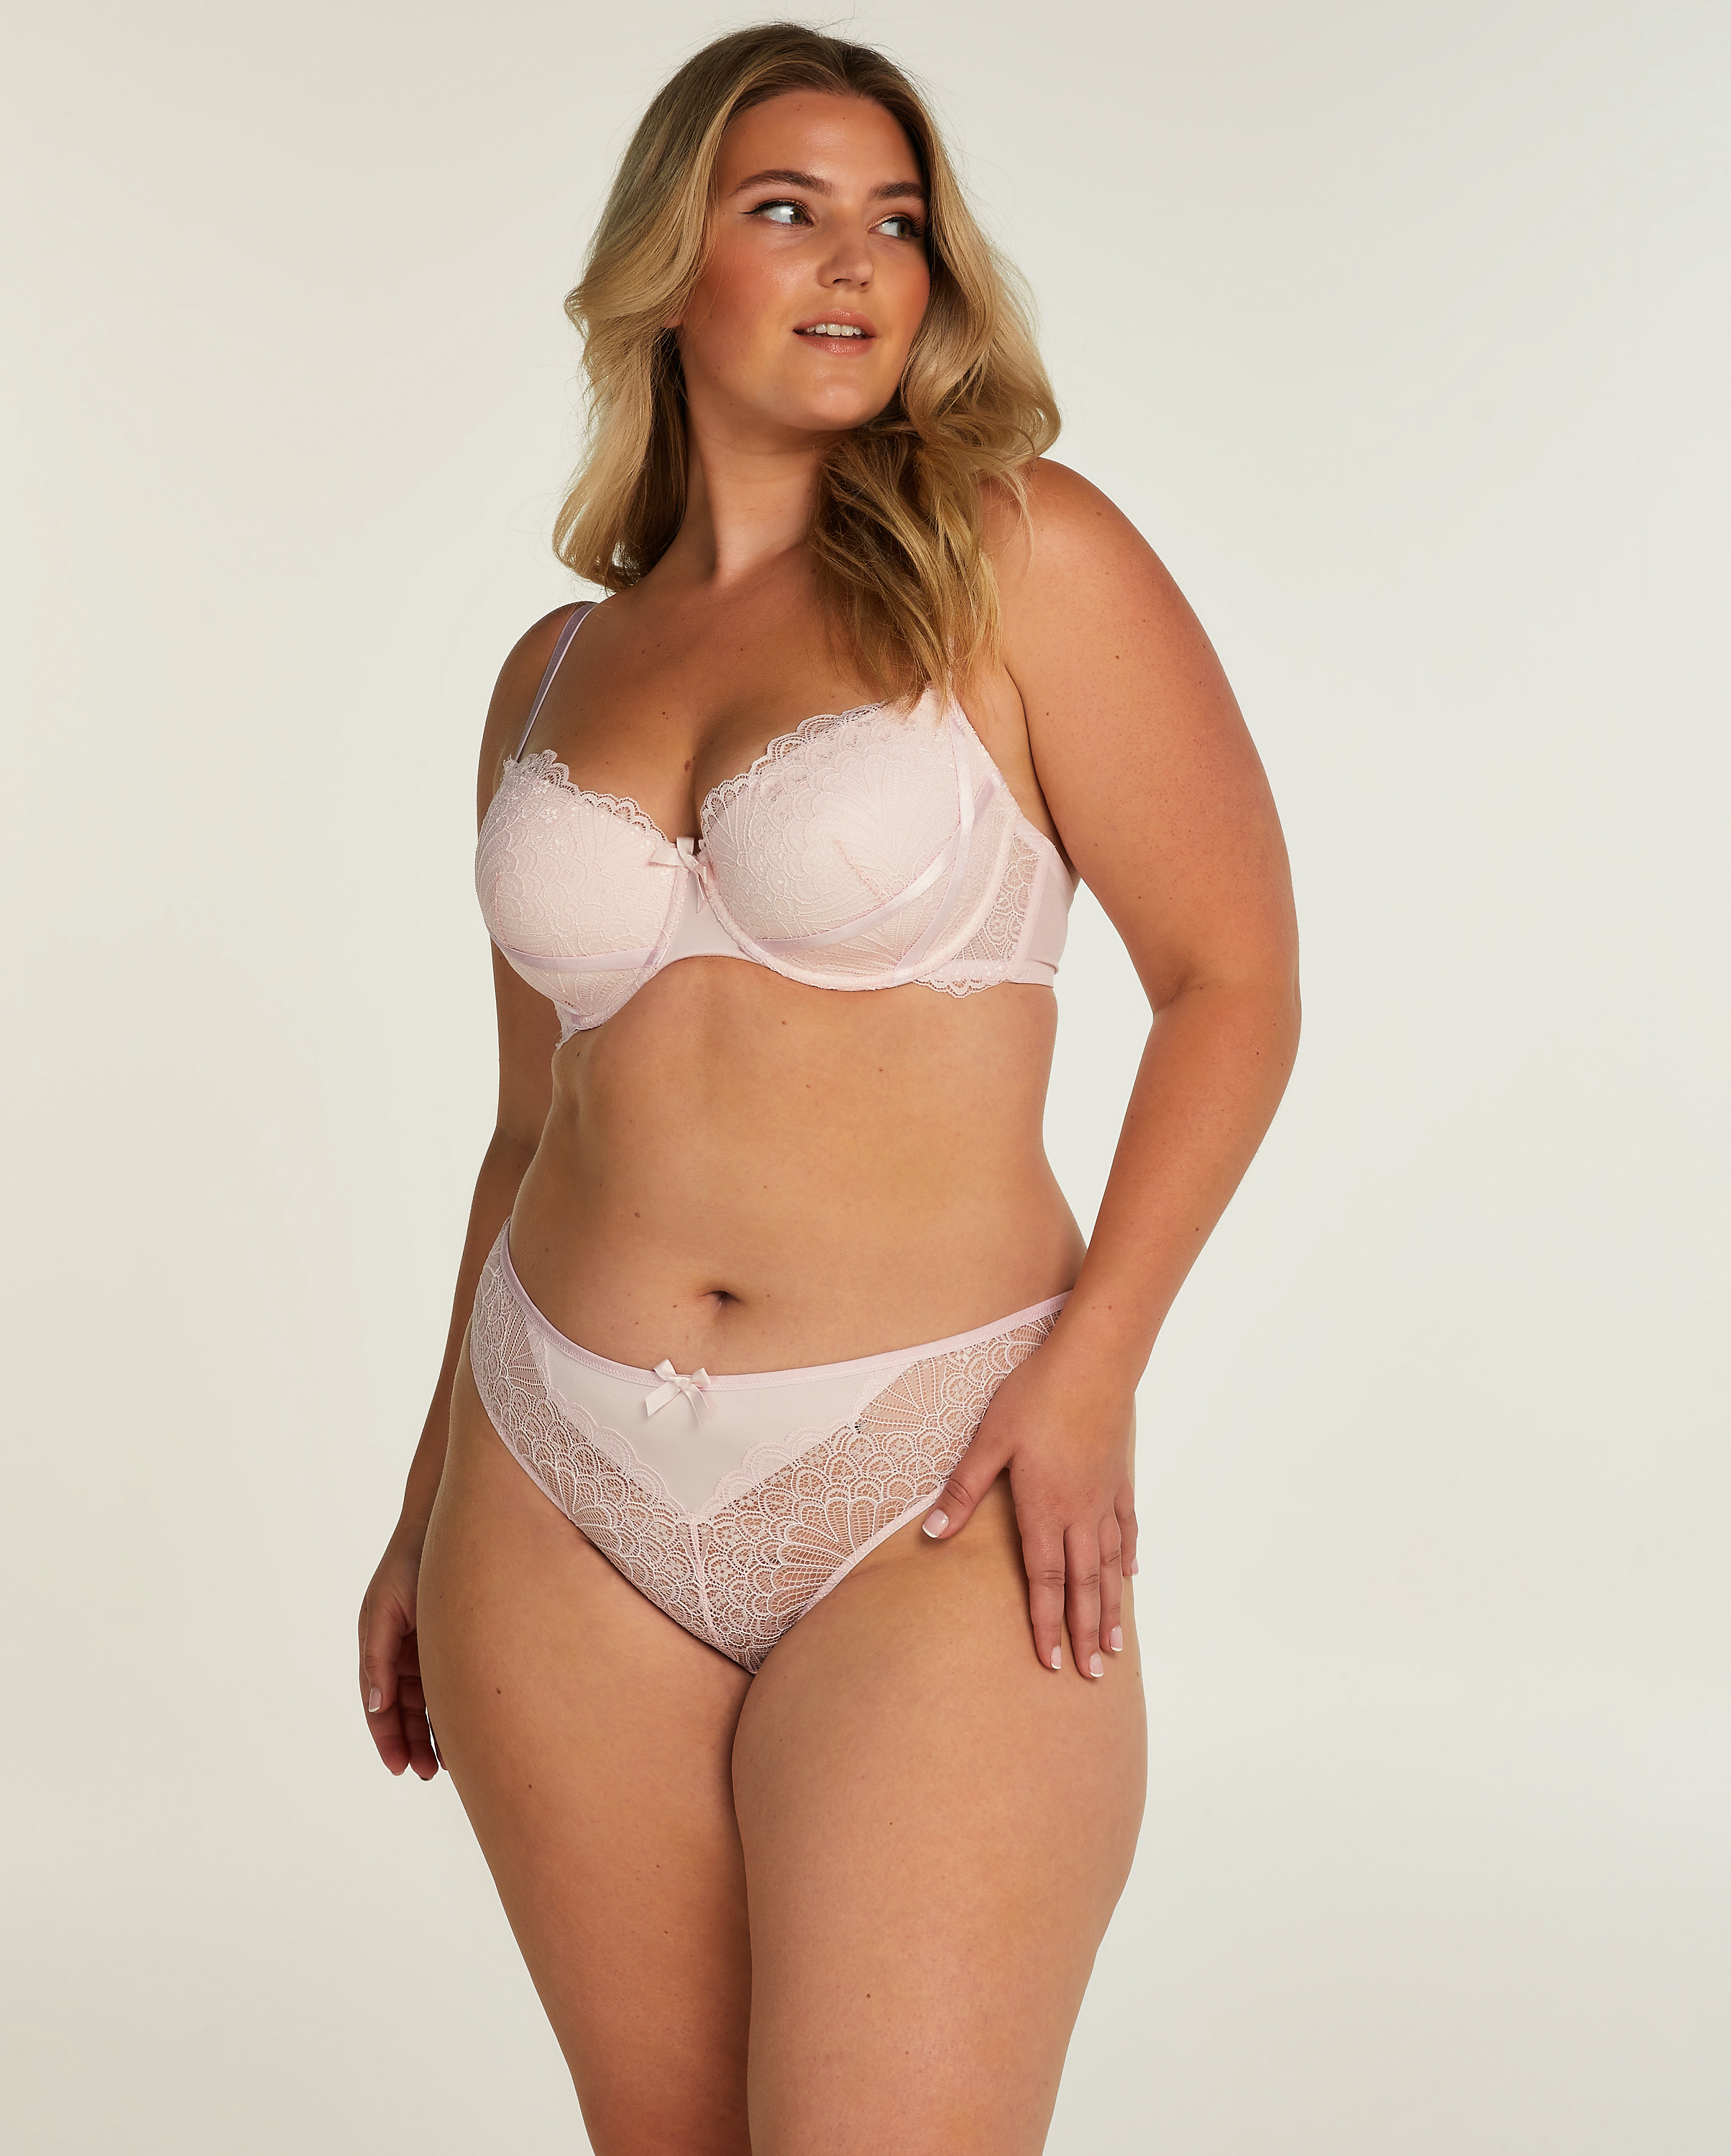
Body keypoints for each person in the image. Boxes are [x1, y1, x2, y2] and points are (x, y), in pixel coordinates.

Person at [357, 22, 1299, 2153]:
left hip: (935, 1469)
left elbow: (1232, 985)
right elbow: (528, 1126)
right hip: (548, 1481)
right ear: (665, 265)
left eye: (897, 220)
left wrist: (1092, 1375)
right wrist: (426, 1499)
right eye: (787, 209)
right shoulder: (550, 670)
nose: (857, 260)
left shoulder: (1019, 554)